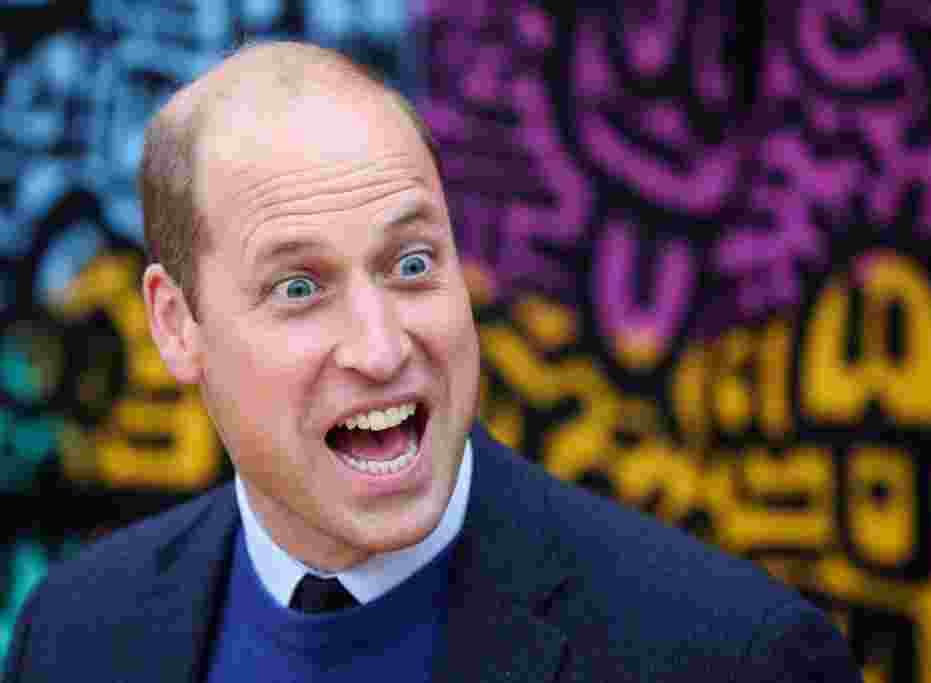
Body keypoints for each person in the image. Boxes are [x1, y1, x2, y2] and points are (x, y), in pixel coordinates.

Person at [2, 41, 862, 683]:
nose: (382, 350)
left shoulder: (734, 657)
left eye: (412, 265)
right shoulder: (74, 633)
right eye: (300, 287)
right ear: (177, 323)